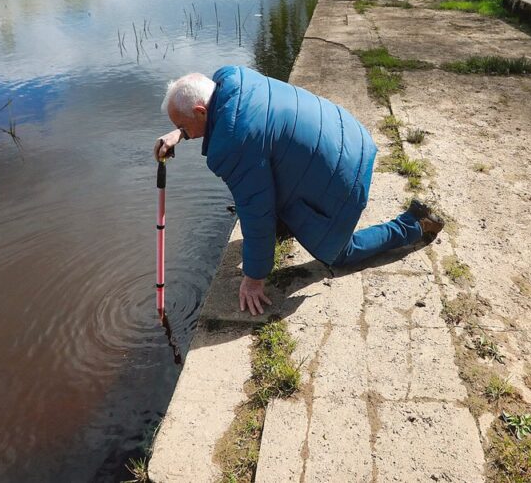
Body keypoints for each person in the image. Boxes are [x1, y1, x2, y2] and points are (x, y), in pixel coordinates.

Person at [153, 65, 445, 315]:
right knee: (261, 183)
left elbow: (256, 212)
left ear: (200, 111)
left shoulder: (231, 145)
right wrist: (180, 132)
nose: (183, 131)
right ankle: (287, 226)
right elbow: (210, 115)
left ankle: (413, 224)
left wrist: (254, 278)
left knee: (339, 252)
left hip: (343, 175)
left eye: (183, 124)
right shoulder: (233, 81)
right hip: (347, 136)